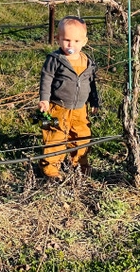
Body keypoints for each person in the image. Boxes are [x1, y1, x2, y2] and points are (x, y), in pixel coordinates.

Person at [37, 16, 99, 180]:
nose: (71, 45)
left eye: (76, 40)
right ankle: (50, 169)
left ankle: (79, 164)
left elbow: (92, 83)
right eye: (66, 40)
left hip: (80, 109)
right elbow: (46, 78)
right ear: (57, 39)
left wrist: (94, 101)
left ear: (84, 41)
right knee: (55, 136)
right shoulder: (55, 59)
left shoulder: (87, 62)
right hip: (59, 107)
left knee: (81, 136)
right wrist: (44, 98)